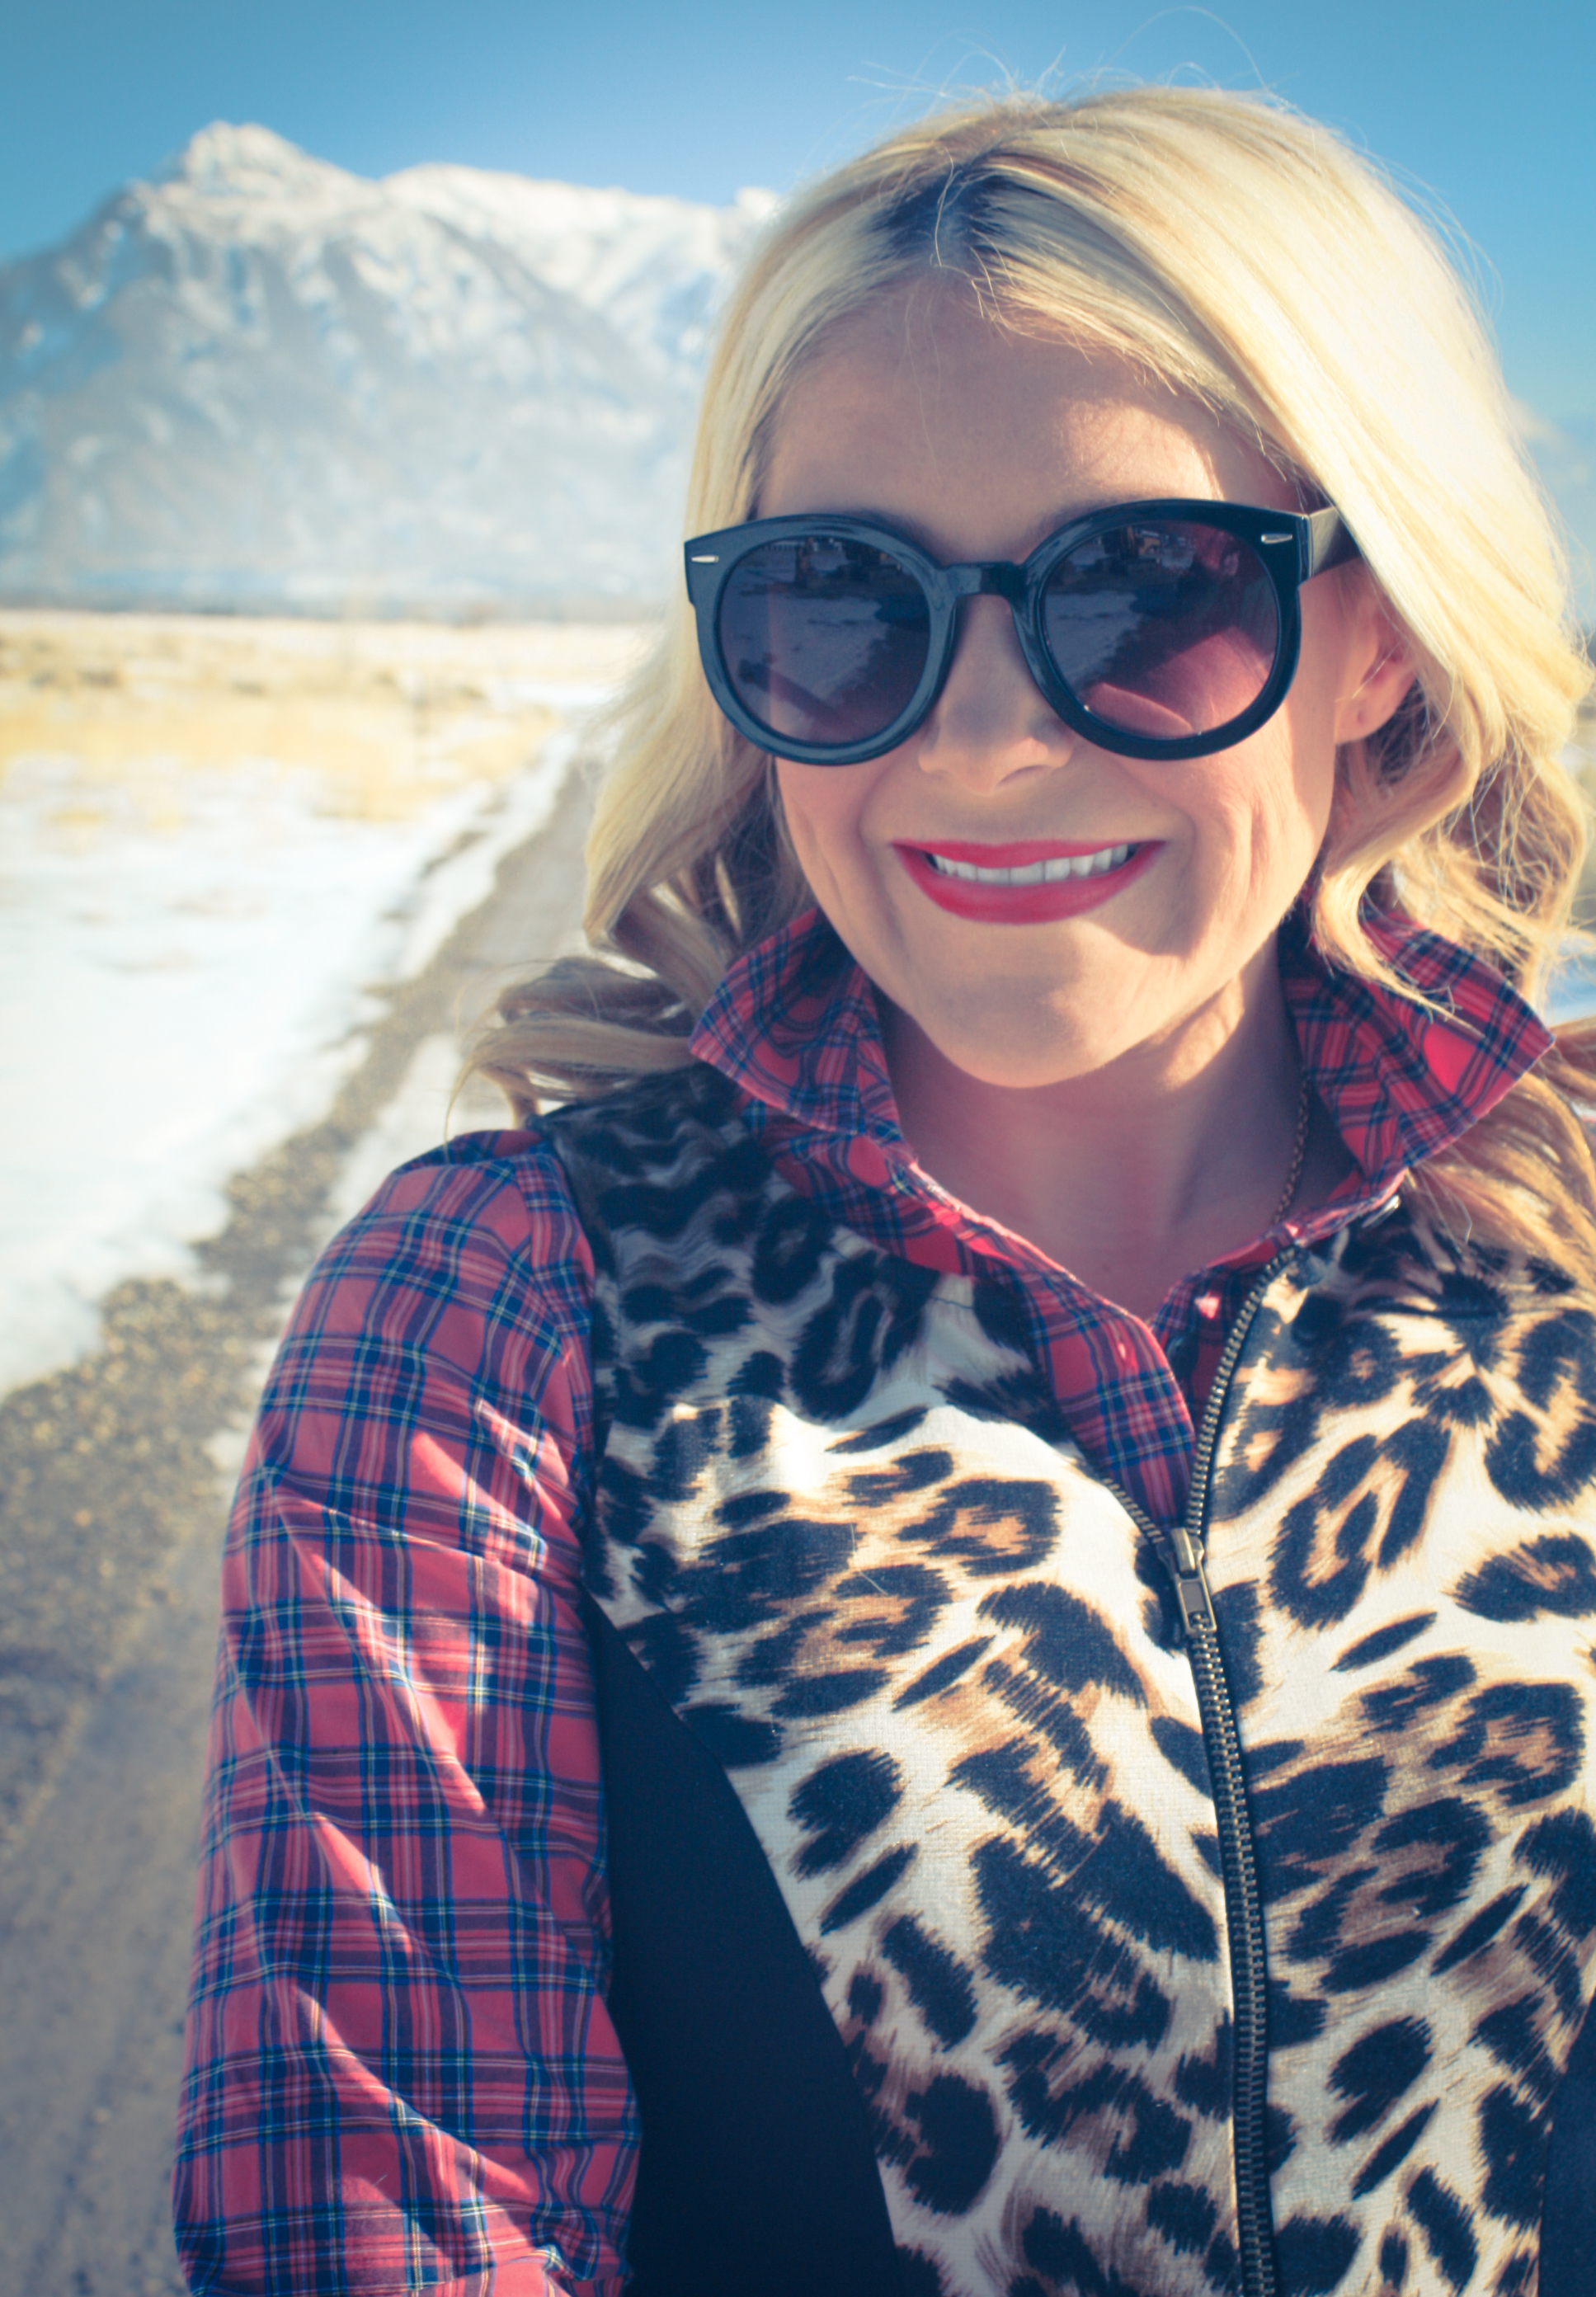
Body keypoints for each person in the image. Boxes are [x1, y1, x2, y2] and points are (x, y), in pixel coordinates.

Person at [174, 86, 1596, 2297]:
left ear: (1381, 629)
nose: (983, 738)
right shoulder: (504, 1314)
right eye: (842, 602)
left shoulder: (1570, 1250)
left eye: (1148, 589)